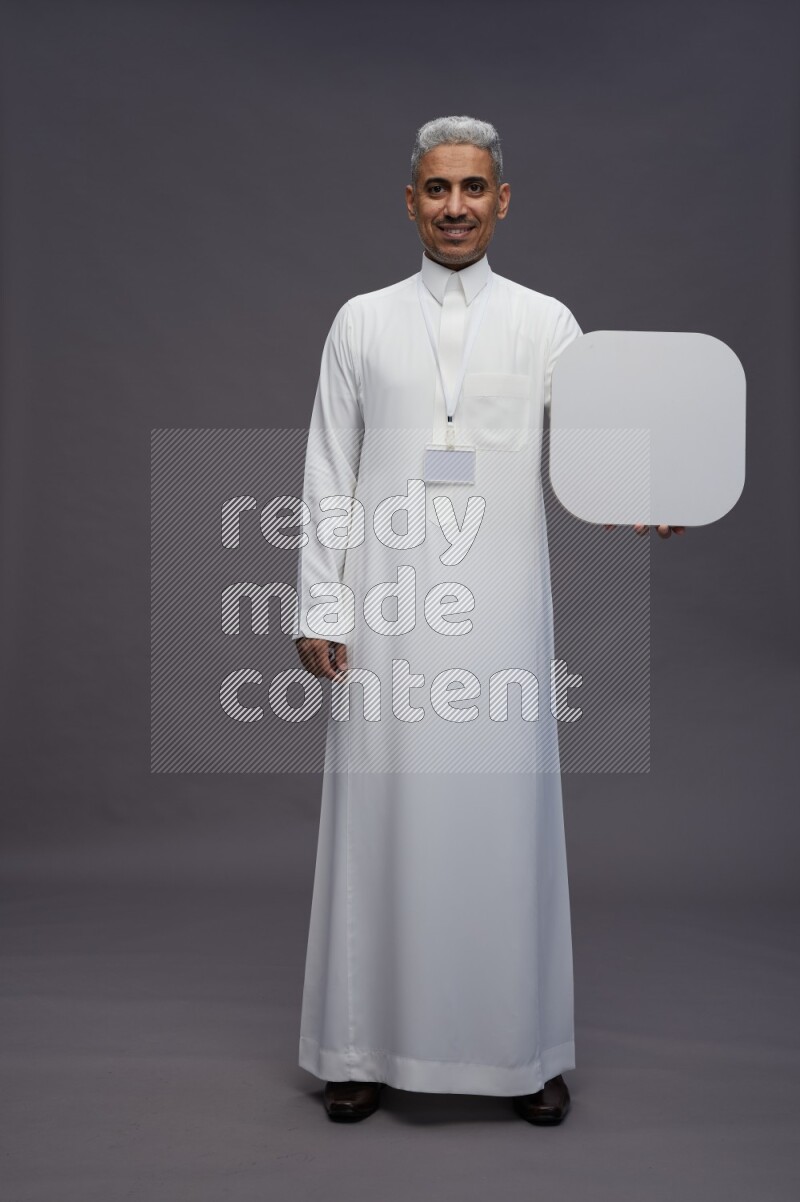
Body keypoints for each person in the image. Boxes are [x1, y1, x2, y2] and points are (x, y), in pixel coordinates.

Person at [293, 115, 682, 1126]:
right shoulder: (361, 320)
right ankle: (358, 1045)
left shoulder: (546, 321)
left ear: (501, 200)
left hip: (501, 615)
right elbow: (327, 470)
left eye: (473, 188)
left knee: (502, 824)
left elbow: (597, 448)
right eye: (436, 189)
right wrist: (320, 601)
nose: (455, 206)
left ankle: (520, 1051)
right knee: (379, 823)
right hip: (386, 611)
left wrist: (652, 487)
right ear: (410, 200)